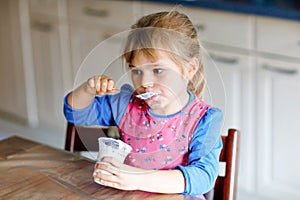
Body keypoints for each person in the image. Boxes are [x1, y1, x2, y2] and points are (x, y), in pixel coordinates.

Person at [64, 10, 223, 198]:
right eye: (137, 71)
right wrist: (87, 90)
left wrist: (137, 178)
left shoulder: (204, 119)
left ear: (189, 69)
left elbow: (203, 177)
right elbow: (76, 115)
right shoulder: (125, 104)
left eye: (157, 70)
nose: (144, 82)